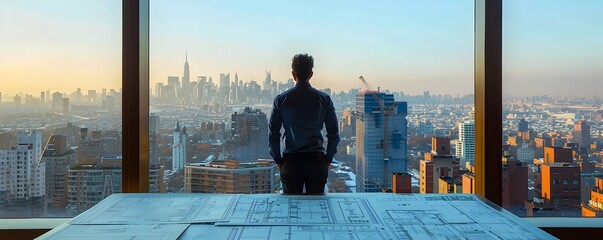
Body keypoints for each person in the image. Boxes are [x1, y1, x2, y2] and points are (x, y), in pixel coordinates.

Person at [268, 53, 340, 194]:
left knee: (292, 209)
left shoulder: (281, 100)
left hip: (291, 162)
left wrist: (278, 160)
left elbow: (273, 134)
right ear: (311, 74)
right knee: (317, 209)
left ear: (293, 74)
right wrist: (328, 159)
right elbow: (334, 134)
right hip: (316, 161)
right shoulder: (324, 99)